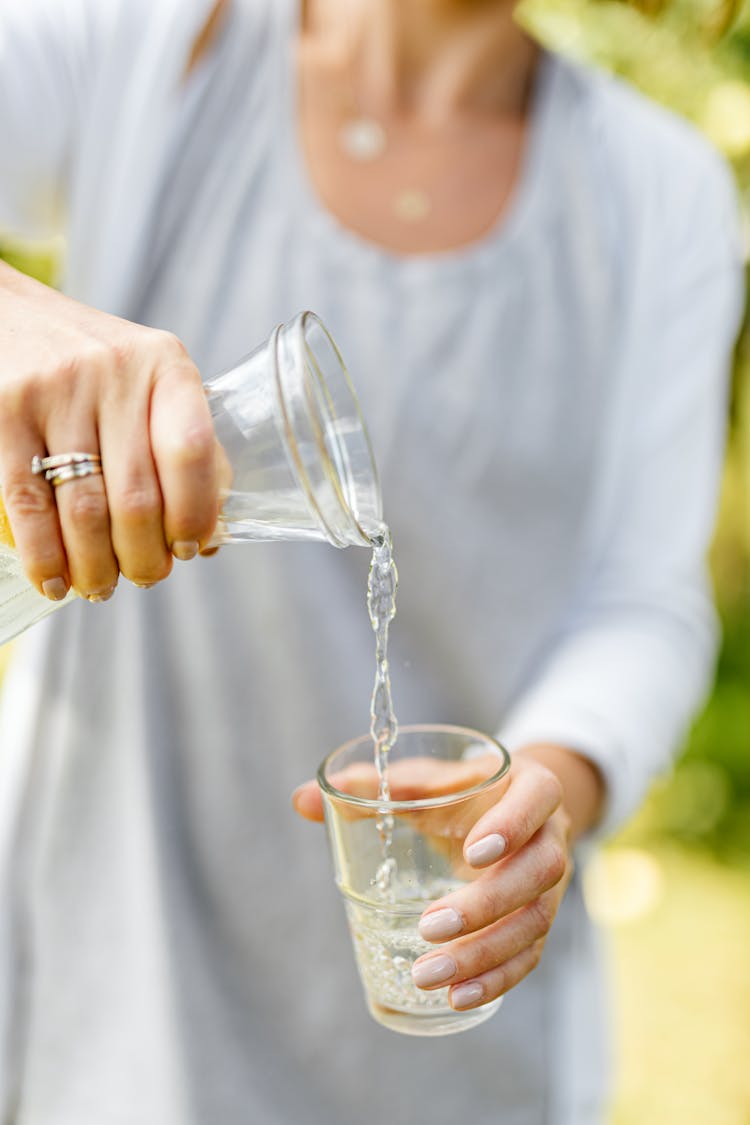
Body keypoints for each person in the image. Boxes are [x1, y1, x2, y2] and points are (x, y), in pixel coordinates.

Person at [0, 0, 743, 1122]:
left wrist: (549, 785)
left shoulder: (662, 192)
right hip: (107, 989)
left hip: (455, 1014)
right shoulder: (146, 40)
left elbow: (643, 601)